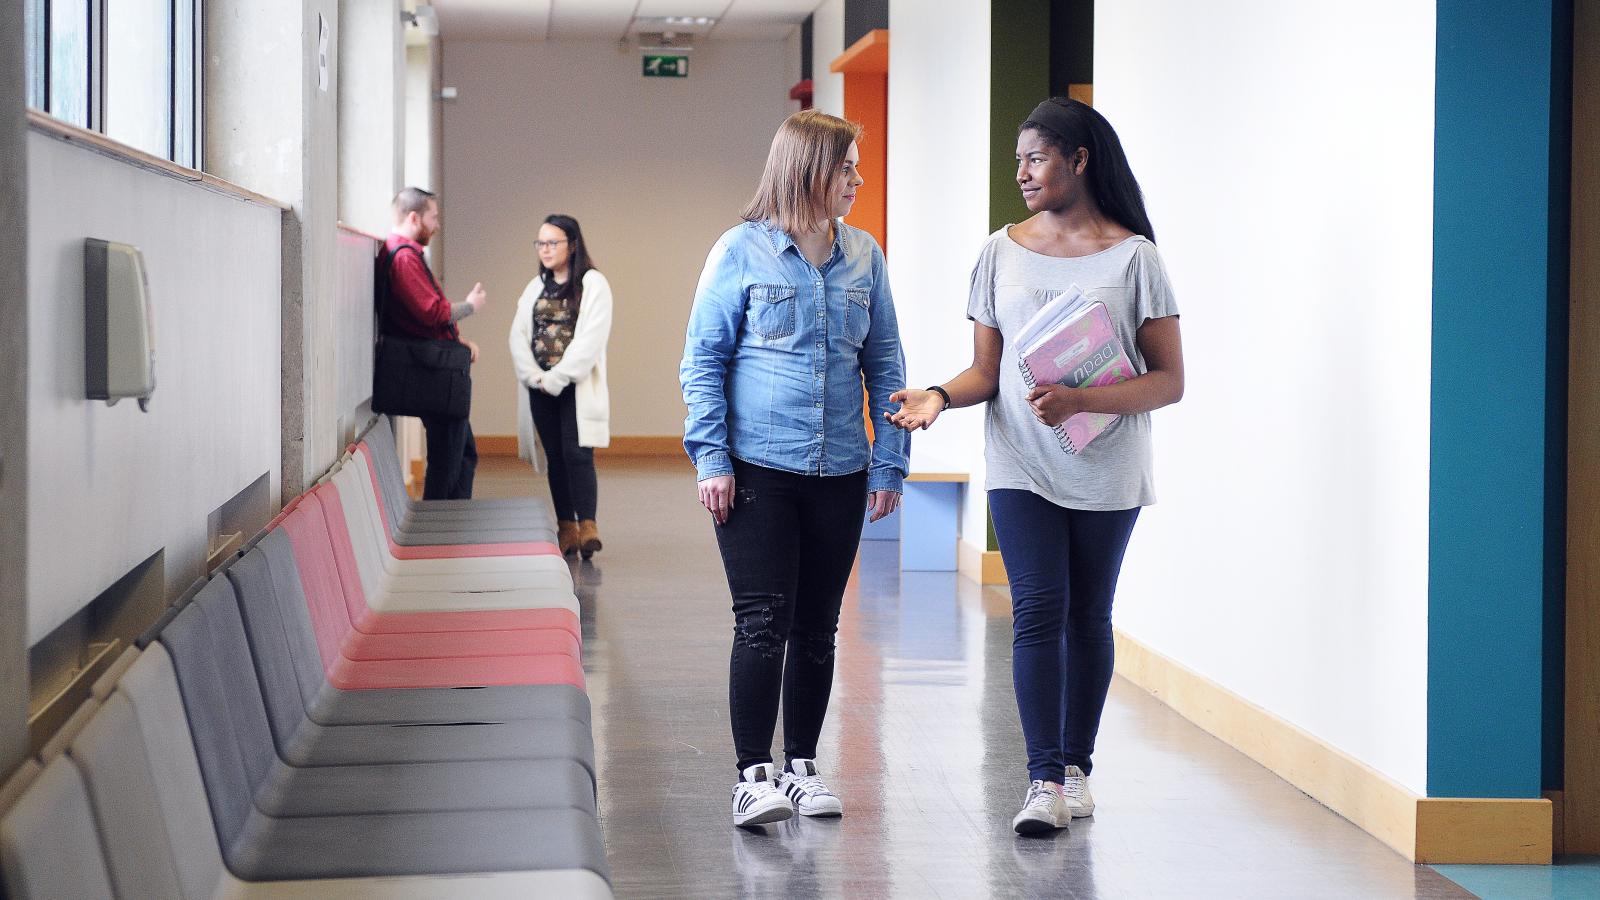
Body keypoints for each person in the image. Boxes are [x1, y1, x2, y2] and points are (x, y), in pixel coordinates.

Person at [886, 98, 1185, 835]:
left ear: (1079, 161)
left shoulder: (1135, 257)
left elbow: (1168, 380)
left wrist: (1083, 395)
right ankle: (1043, 778)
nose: (1020, 173)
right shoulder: (999, 252)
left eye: (1036, 158)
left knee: (1088, 615)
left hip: (1108, 465)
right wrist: (938, 397)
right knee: (1037, 611)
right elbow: (987, 371)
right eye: (1017, 160)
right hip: (1020, 460)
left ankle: (1077, 767)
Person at [680, 110, 910, 828]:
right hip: (758, 471)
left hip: (840, 470)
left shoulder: (865, 256)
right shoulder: (739, 251)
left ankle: (802, 767)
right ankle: (753, 775)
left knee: (818, 626)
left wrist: (889, 464)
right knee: (762, 623)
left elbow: (886, 363)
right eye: (847, 168)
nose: (857, 180)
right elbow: (702, 362)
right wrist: (710, 458)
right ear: (810, 168)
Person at [509, 214, 613, 558]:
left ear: (572, 245)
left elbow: (590, 340)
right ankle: (566, 527)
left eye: (553, 242)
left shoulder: (593, 284)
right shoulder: (534, 287)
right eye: (541, 243)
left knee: (578, 454)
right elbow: (518, 336)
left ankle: (588, 527)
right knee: (556, 456)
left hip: (574, 387)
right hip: (539, 387)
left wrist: (557, 378)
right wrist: (534, 376)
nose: (546, 249)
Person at [380, 186, 486, 500]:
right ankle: (440, 530)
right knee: (448, 459)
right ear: (414, 217)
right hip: (431, 373)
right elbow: (431, 312)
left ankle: (451, 524)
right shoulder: (404, 259)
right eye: (433, 217)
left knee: (463, 453)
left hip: (433, 365)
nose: (437, 225)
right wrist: (470, 306)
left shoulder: (405, 254)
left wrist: (457, 341)